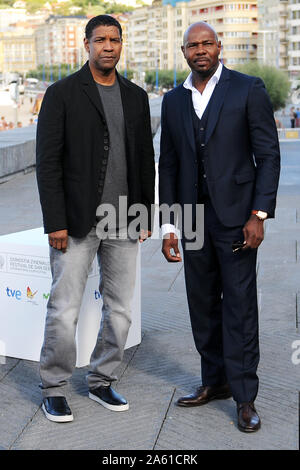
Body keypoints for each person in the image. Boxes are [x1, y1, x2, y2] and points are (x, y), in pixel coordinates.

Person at [159, 22, 280, 433]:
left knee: (240, 308)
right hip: (192, 220)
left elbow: (268, 155)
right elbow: (169, 165)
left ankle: (245, 398)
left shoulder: (248, 88)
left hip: (237, 219)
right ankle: (215, 382)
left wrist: (258, 215)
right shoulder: (173, 100)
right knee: (202, 305)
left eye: (207, 43)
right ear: (183, 51)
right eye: (192, 45)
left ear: (219, 46)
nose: (200, 50)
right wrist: (169, 226)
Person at [36, 15, 155, 423]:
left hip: (124, 220)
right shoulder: (62, 93)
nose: (108, 46)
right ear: (86, 44)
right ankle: (53, 386)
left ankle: (103, 379)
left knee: (120, 309)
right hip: (76, 221)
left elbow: (145, 160)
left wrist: (145, 212)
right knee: (64, 308)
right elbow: (47, 162)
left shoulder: (136, 96)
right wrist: (56, 221)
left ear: (122, 45)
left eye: (115, 40)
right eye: (100, 39)